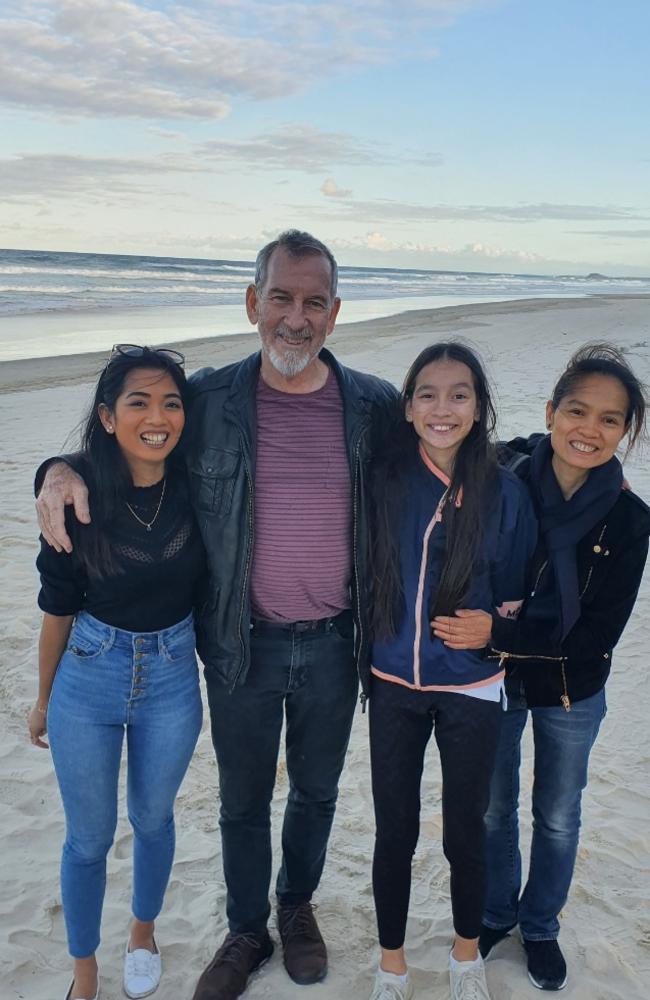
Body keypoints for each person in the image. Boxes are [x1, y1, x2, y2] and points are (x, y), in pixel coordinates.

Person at [35, 231, 398, 1000]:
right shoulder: (207, 401)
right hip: (241, 643)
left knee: (316, 792)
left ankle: (295, 908)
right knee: (241, 799)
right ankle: (245, 927)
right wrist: (56, 469)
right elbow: (130, 439)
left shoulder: (373, 405)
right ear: (250, 304)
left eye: (314, 302)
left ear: (335, 314)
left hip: (337, 641)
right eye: (281, 298)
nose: (295, 318)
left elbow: (455, 451)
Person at [431, 344, 650, 991]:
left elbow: (595, 638)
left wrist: (496, 630)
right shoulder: (506, 472)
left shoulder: (631, 519)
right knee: (494, 810)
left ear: (626, 433)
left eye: (610, 420)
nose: (590, 429)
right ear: (552, 411)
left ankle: (542, 926)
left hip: (569, 690)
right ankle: (499, 911)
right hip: (494, 681)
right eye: (577, 410)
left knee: (557, 813)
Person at [28, 346, 205, 1000]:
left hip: (172, 678)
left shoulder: (198, 484)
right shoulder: (74, 498)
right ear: (107, 416)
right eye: (138, 402)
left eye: (170, 403)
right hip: (89, 676)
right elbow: (55, 611)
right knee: (89, 839)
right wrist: (42, 701)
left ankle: (142, 931)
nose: (156, 417)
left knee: (154, 818)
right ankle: (84, 974)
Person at [363, 343, 537, 1000]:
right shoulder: (382, 479)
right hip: (392, 684)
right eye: (428, 394)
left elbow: (517, 593)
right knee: (394, 829)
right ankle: (392, 963)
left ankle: (466, 956)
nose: (443, 408)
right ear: (407, 408)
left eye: (459, 394)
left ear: (479, 407)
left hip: (471, 688)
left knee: (466, 827)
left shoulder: (507, 492)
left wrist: (492, 628)